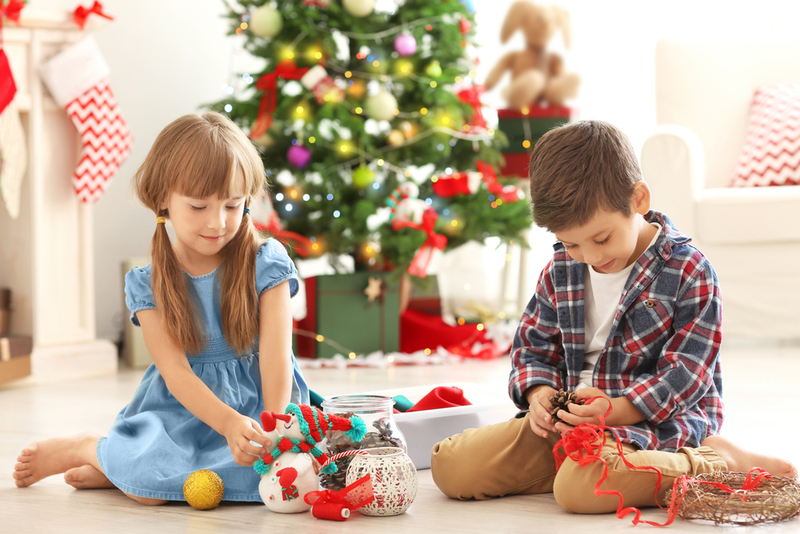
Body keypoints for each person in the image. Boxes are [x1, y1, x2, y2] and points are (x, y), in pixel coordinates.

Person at [430, 120, 796, 513]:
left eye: (601, 238)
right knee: (451, 466)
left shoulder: (688, 270)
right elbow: (532, 349)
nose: (590, 256)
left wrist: (617, 410)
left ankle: (717, 462)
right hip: (569, 424)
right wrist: (539, 396)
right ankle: (585, 463)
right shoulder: (560, 269)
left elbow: (687, 373)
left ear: (637, 199)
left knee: (582, 488)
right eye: (571, 243)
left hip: (648, 425)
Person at [13, 112, 310, 505]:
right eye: (199, 206)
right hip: (183, 409)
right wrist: (226, 422)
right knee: (150, 489)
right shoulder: (148, 282)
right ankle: (88, 447)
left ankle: (115, 470)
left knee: (292, 472)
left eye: (233, 206)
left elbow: (276, 359)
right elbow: (175, 373)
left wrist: (274, 430)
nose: (218, 222)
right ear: (163, 201)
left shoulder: (266, 261)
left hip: (264, 403)